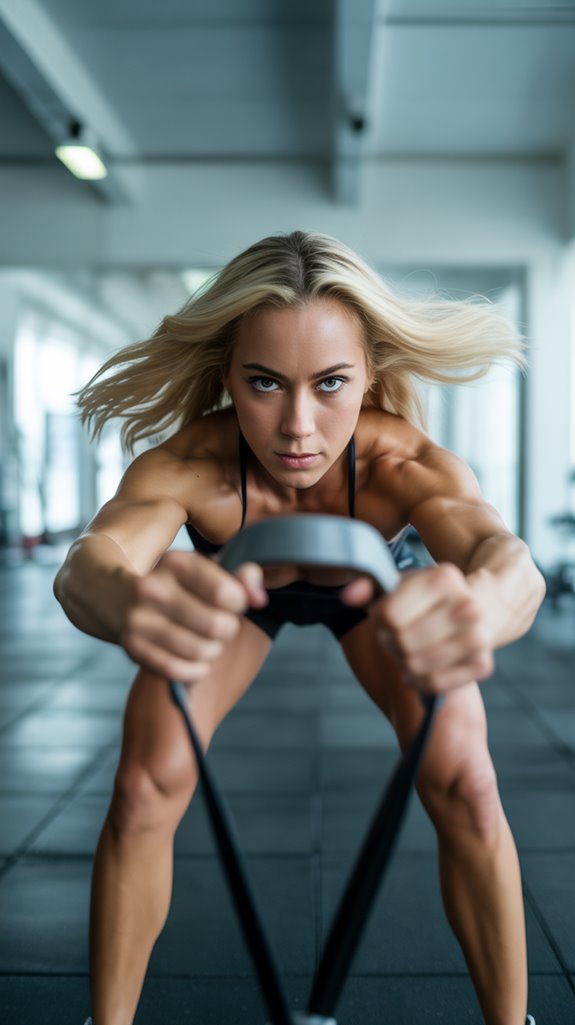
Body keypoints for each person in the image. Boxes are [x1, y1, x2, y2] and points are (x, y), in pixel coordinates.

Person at [54, 231, 544, 1025]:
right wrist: (129, 603)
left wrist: (481, 609)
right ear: (227, 378)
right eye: (264, 383)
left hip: (368, 597)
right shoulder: (190, 465)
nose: (296, 427)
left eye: (330, 384)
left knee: (464, 771)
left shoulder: (403, 465)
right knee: (144, 783)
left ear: (370, 377)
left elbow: (506, 558)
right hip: (238, 593)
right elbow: (87, 563)